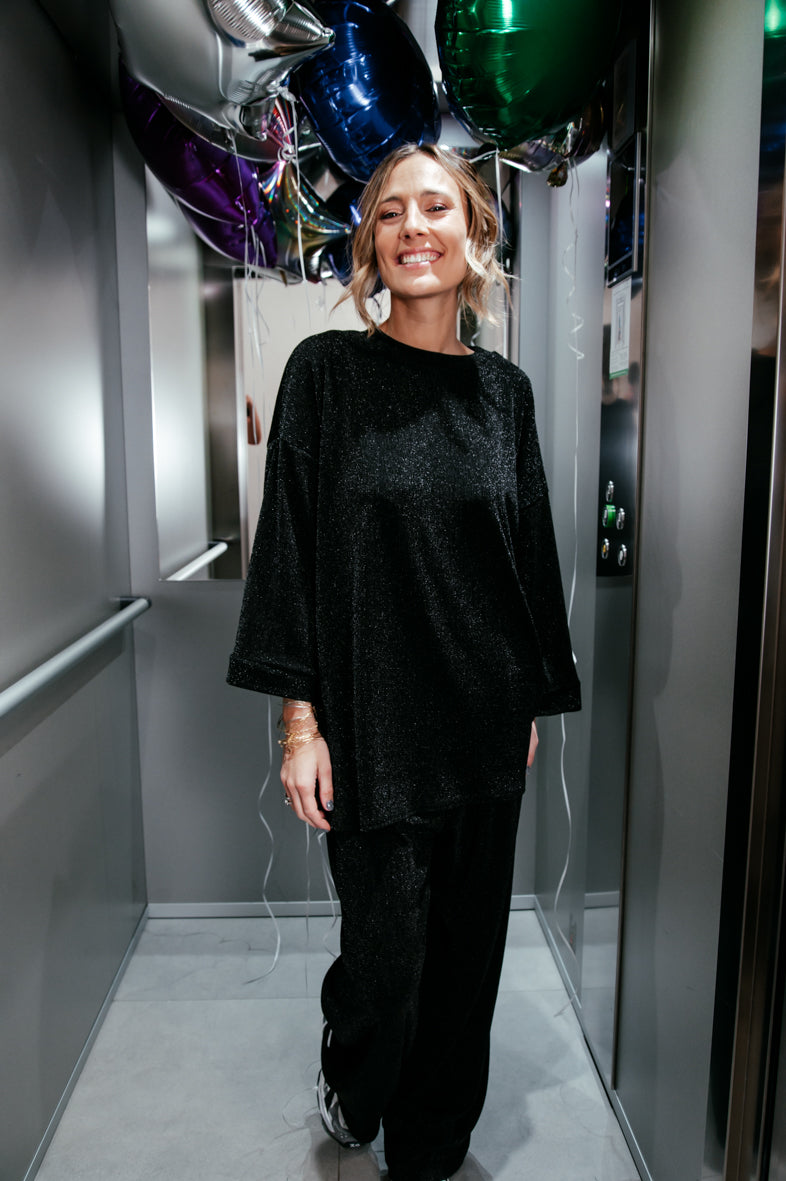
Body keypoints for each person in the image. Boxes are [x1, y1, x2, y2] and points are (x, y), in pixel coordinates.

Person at [227, 142, 580, 1181]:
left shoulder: (504, 395)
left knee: (465, 964)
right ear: (371, 243)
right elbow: (289, 548)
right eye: (390, 212)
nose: (413, 228)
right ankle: (353, 1074)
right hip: (372, 720)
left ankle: (432, 1148)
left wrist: (529, 697)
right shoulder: (325, 375)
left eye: (436, 208)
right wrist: (301, 722)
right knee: (385, 966)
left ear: (475, 236)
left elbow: (526, 552)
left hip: (481, 720)